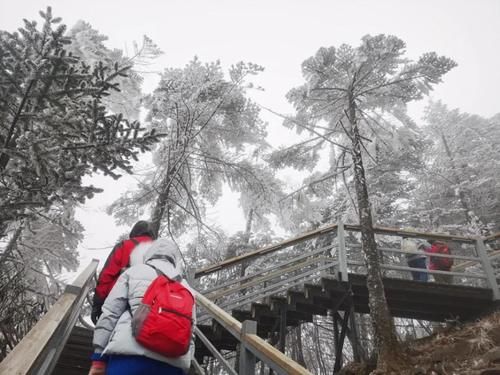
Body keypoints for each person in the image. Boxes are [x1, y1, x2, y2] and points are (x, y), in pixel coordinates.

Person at [89, 238, 195, 375]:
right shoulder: (186, 287)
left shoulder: (135, 271)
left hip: (128, 359)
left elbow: (111, 313)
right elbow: (191, 334)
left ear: (149, 253)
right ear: (175, 259)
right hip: (172, 365)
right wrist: (185, 366)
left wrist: (98, 357)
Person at [91, 221, 155, 324]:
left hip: (118, 300)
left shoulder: (124, 246)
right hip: (148, 304)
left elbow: (107, 275)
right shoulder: (160, 251)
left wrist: (98, 304)